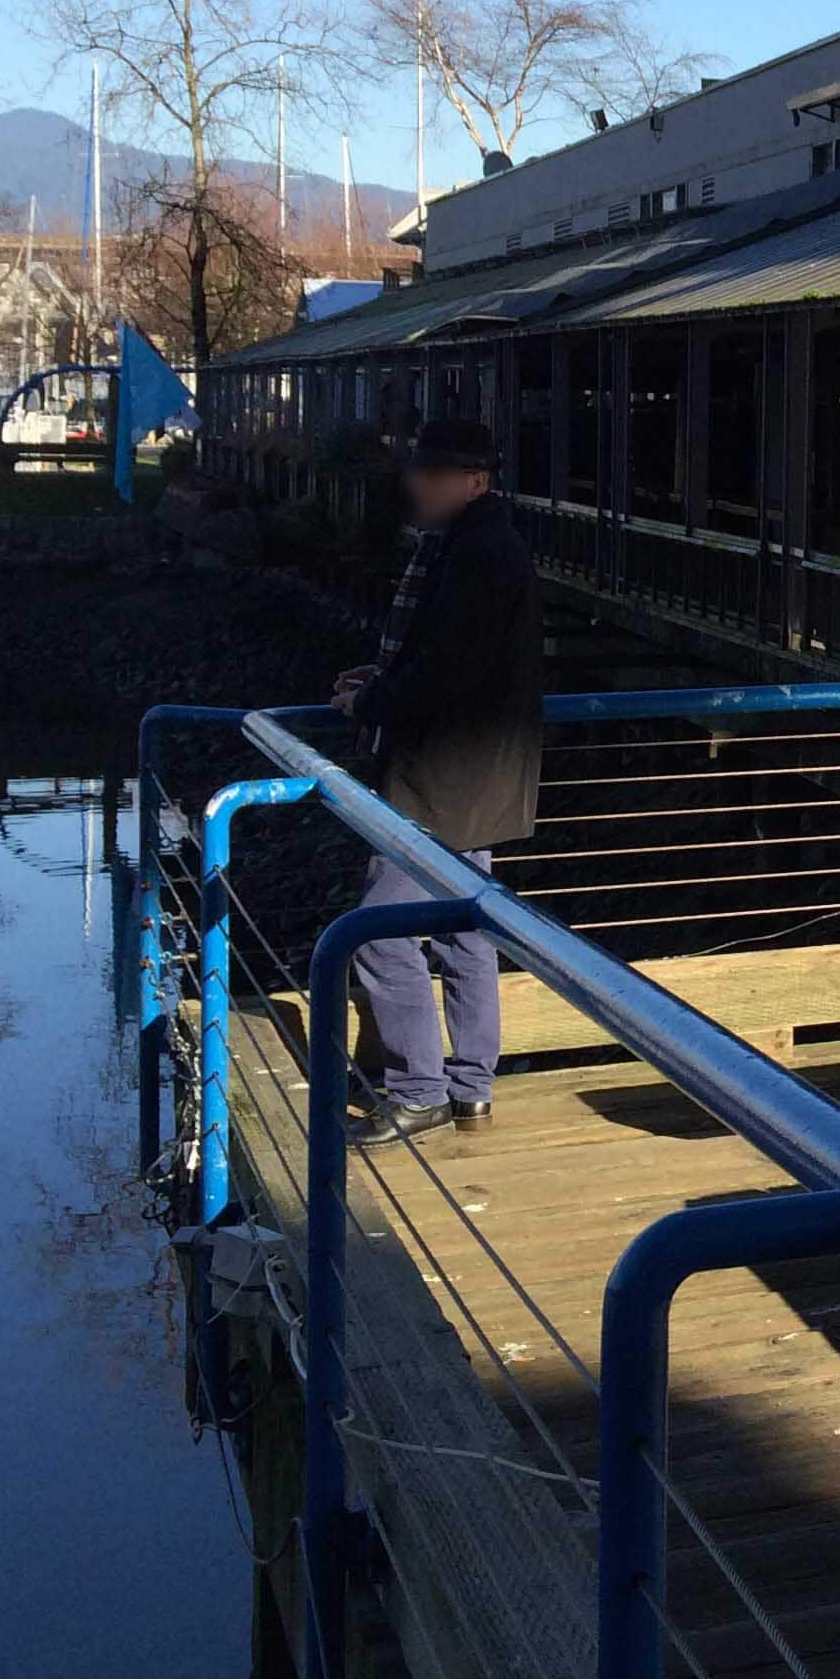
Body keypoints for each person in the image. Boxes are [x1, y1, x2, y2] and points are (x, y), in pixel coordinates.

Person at [329, 419, 544, 1144]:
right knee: (464, 932)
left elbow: (447, 670)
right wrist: (382, 680)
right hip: (475, 776)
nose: (415, 483)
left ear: (473, 481)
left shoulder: (475, 553)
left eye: (431, 472)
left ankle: (418, 1092)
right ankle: (471, 1089)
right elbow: (444, 655)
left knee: (376, 935)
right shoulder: (479, 545)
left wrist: (371, 701)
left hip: (441, 779)